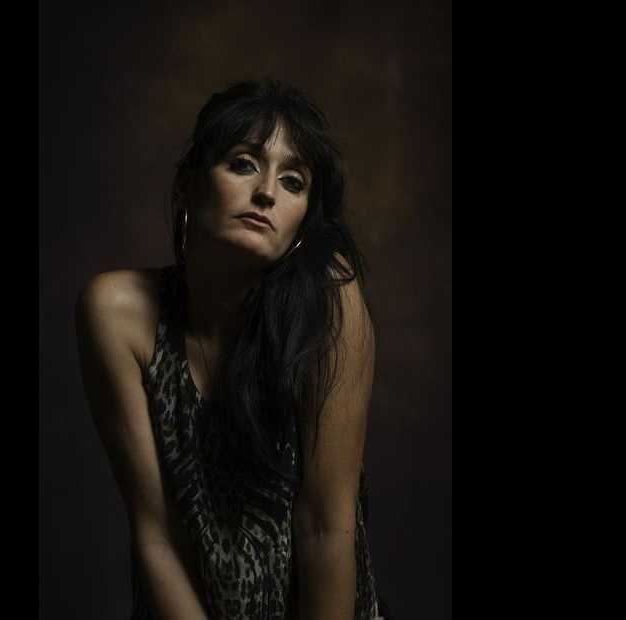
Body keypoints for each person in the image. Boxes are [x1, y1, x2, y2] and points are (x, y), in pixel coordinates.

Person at [75, 78, 390, 619]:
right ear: (188, 185)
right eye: (243, 164)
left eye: (293, 182)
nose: (267, 192)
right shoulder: (118, 313)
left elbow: (325, 526)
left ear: (302, 221)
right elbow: (156, 536)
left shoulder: (329, 300)